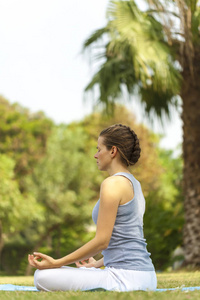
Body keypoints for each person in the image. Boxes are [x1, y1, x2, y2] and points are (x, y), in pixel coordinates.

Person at [28, 124, 157, 292]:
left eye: (99, 149)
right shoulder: (134, 184)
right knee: (79, 271)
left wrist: (56, 262)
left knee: (42, 276)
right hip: (145, 276)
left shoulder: (112, 184)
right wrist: (97, 264)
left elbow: (102, 241)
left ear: (113, 151)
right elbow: (127, 238)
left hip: (126, 278)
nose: (95, 155)